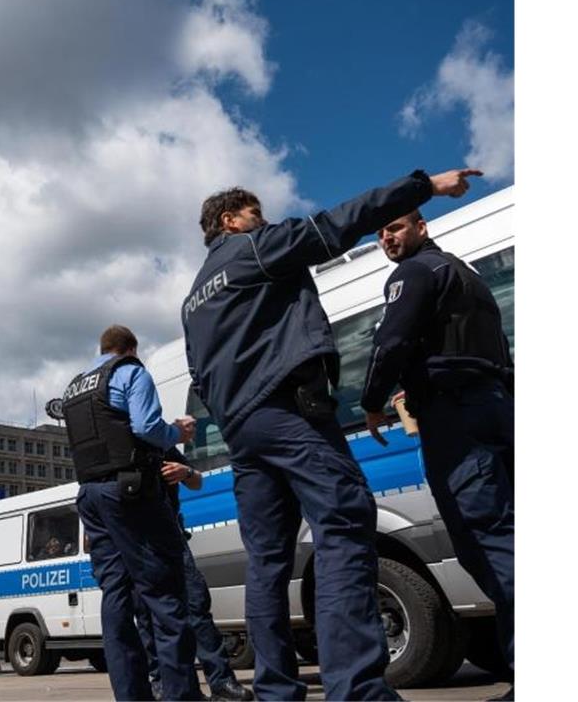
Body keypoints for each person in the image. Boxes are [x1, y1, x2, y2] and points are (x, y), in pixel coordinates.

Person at [180, 168, 480, 700]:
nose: (264, 219)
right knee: (344, 521)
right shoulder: (254, 248)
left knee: (267, 564)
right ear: (229, 220)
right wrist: (422, 187)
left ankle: (276, 690)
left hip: (243, 435)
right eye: (254, 213)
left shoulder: (192, 301)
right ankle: (358, 689)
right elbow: (337, 224)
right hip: (289, 412)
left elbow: (199, 376)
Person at [360, 209, 514, 701]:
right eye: (382, 233)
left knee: (486, 540)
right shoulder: (468, 275)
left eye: (396, 228)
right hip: (496, 406)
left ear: (421, 228)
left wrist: (369, 401)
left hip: (454, 416)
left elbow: (393, 341)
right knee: (502, 537)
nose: (388, 237)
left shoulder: (414, 273)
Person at [63, 324, 201, 701]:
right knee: (165, 591)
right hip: (130, 492)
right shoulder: (129, 372)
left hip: (90, 496)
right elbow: (144, 426)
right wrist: (177, 433)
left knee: (116, 596)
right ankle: (180, 694)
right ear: (130, 348)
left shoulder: (74, 389)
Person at [135, 449, 253, 702]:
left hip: (171, 533)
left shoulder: (157, 441)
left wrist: (185, 472)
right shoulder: (113, 441)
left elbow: (197, 482)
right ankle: (161, 683)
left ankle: (221, 682)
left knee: (196, 604)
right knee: (147, 614)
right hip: (135, 539)